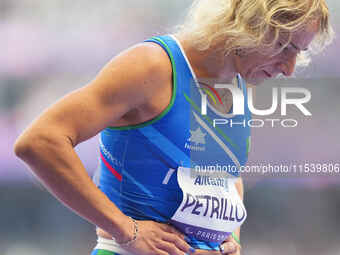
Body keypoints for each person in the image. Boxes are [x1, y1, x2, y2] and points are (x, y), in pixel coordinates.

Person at [14, 0, 333, 255]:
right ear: (250, 25)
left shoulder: (232, 86)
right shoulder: (153, 66)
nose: (290, 70)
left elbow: (223, 178)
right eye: (285, 47)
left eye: (299, 52)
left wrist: (227, 241)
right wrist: (126, 230)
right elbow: (40, 142)